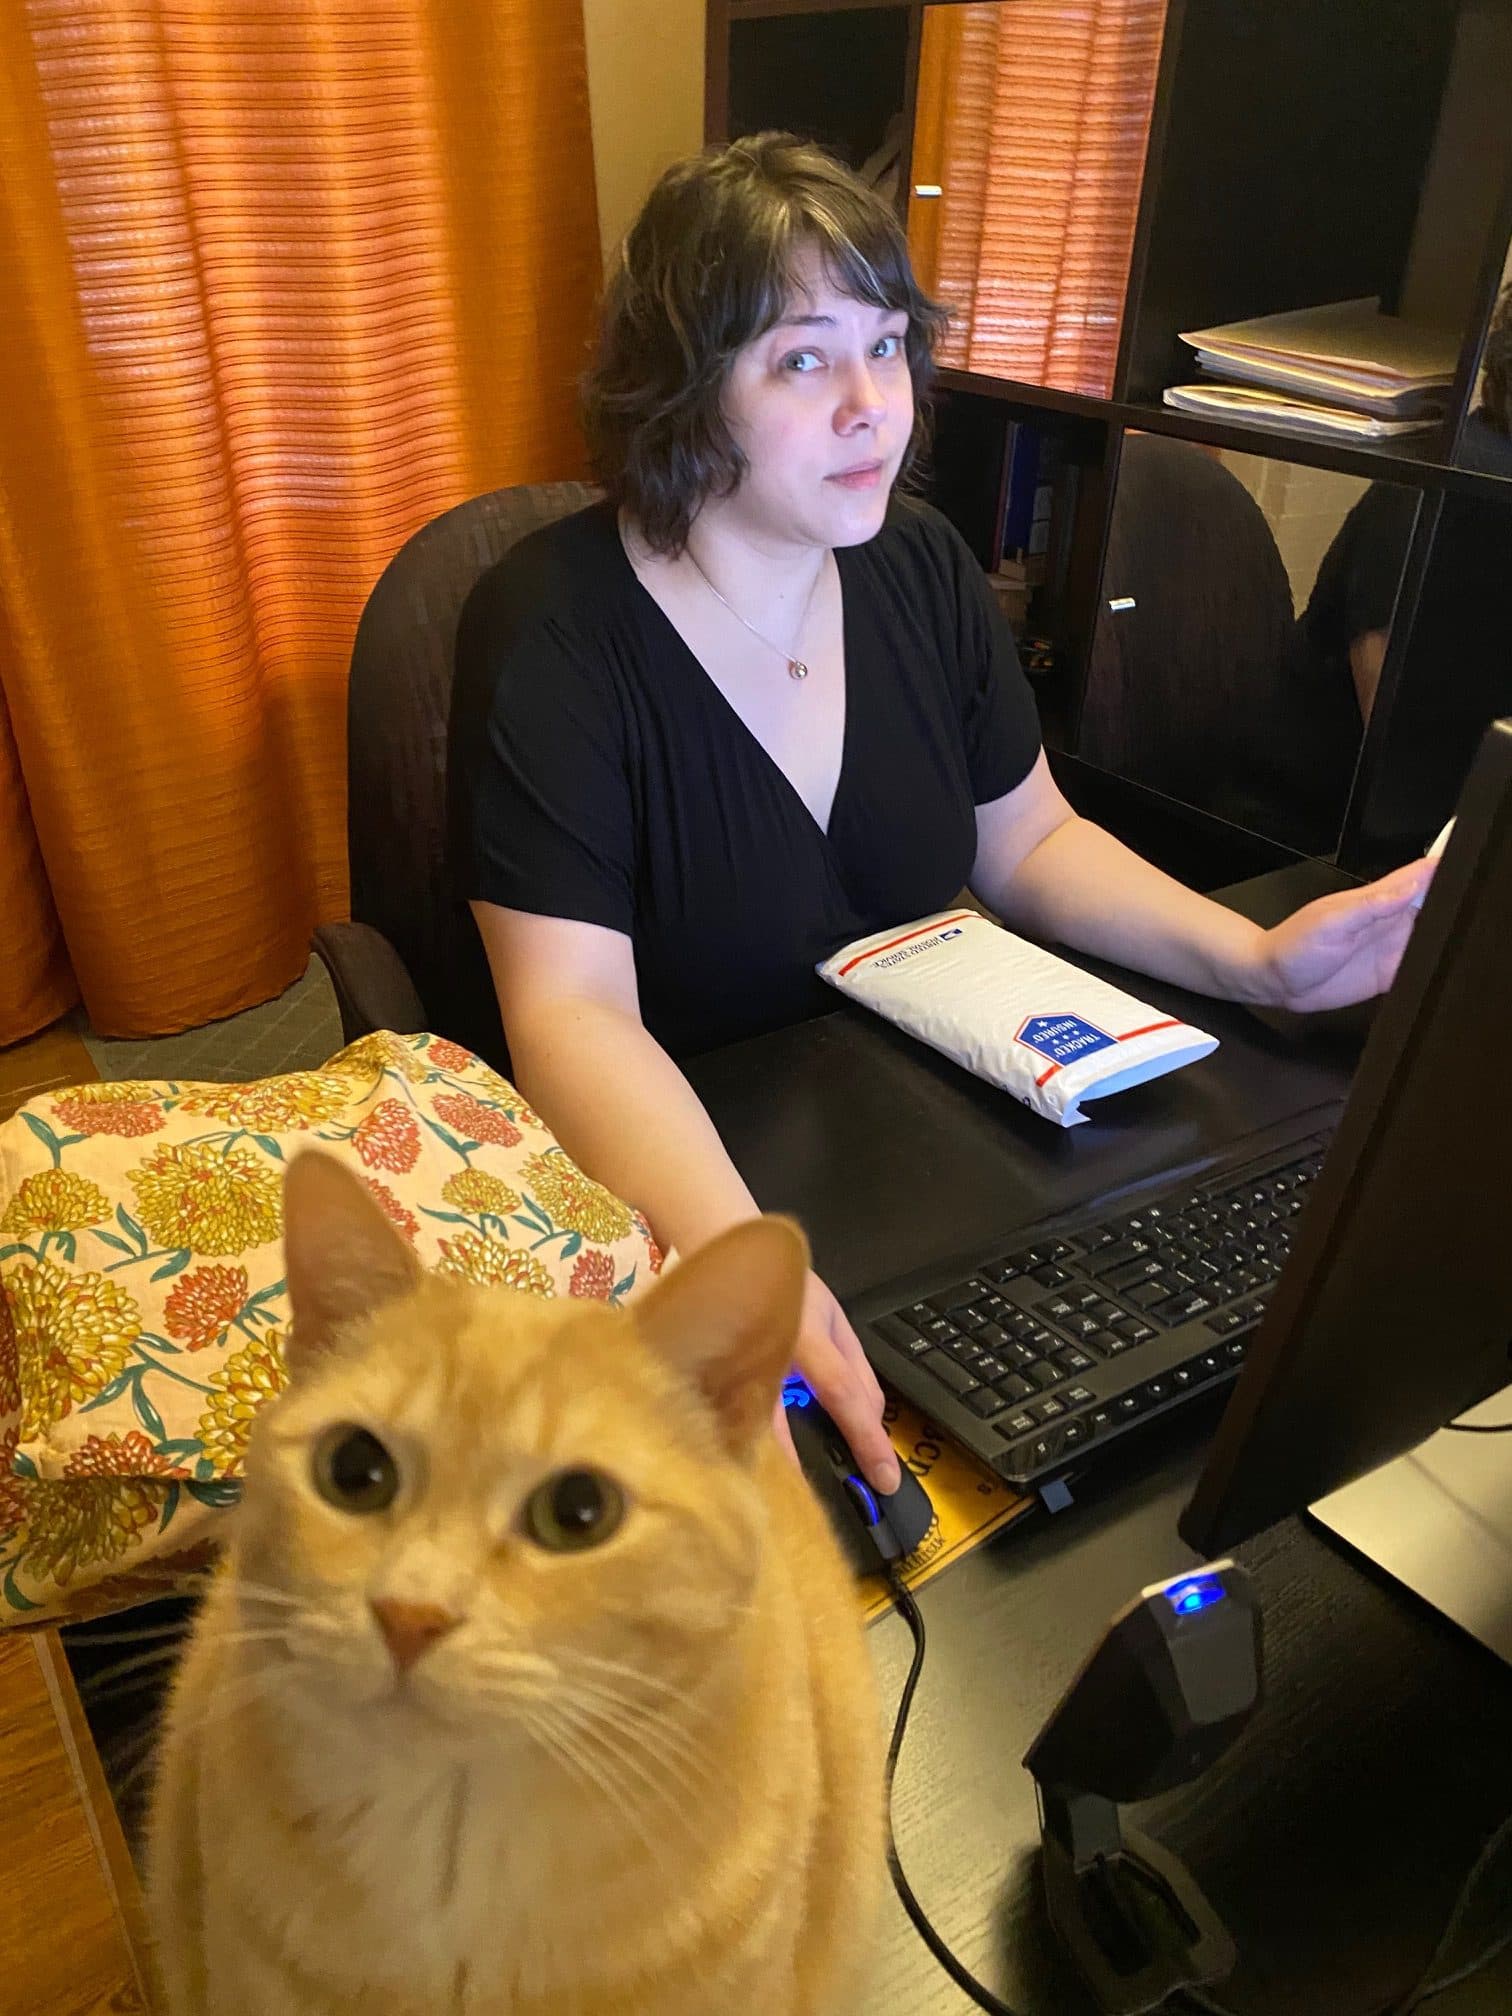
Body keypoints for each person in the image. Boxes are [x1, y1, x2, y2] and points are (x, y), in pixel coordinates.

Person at [449, 134, 1434, 1497]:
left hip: (926, 1161)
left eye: (889, 344)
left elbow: (1025, 839)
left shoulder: (913, 565)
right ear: (681, 393)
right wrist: (749, 1273)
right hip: (685, 1182)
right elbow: (572, 1018)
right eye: (802, 359)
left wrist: (1259, 960)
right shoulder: (552, 633)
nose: (876, 403)